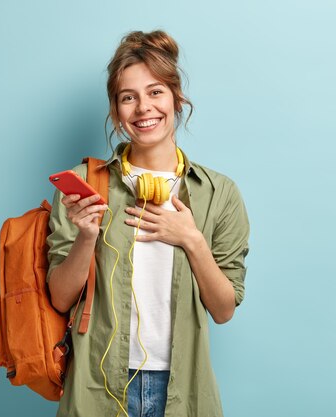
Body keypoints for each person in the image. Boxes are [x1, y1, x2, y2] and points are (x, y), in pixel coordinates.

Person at [46, 30, 250, 417]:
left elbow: (223, 310)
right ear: (115, 111)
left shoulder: (219, 193)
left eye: (155, 92)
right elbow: (59, 298)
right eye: (128, 97)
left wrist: (191, 239)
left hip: (182, 387)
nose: (144, 108)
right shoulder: (85, 186)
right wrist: (86, 235)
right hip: (98, 384)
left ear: (177, 98)